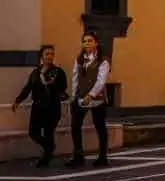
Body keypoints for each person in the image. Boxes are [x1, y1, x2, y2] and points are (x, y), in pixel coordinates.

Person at [11, 45, 68, 167]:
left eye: (52, 54)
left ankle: (46, 158)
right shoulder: (36, 72)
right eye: (47, 54)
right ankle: (49, 147)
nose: (50, 56)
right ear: (41, 56)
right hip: (37, 107)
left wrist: (52, 83)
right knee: (33, 133)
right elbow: (28, 87)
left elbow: (63, 87)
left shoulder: (58, 71)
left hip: (52, 107)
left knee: (48, 132)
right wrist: (18, 101)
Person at [67, 32, 111, 168]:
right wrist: (74, 97)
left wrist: (91, 95)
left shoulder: (103, 60)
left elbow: (101, 81)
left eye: (90, 41)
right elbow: (75, 78)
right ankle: (78, 156)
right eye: (84, 41)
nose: (87, 43)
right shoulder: (80, 59)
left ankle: (103, 156)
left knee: (100, 126)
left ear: (96, 43)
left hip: (97, 99)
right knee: (75, 125)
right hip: (81, 97)